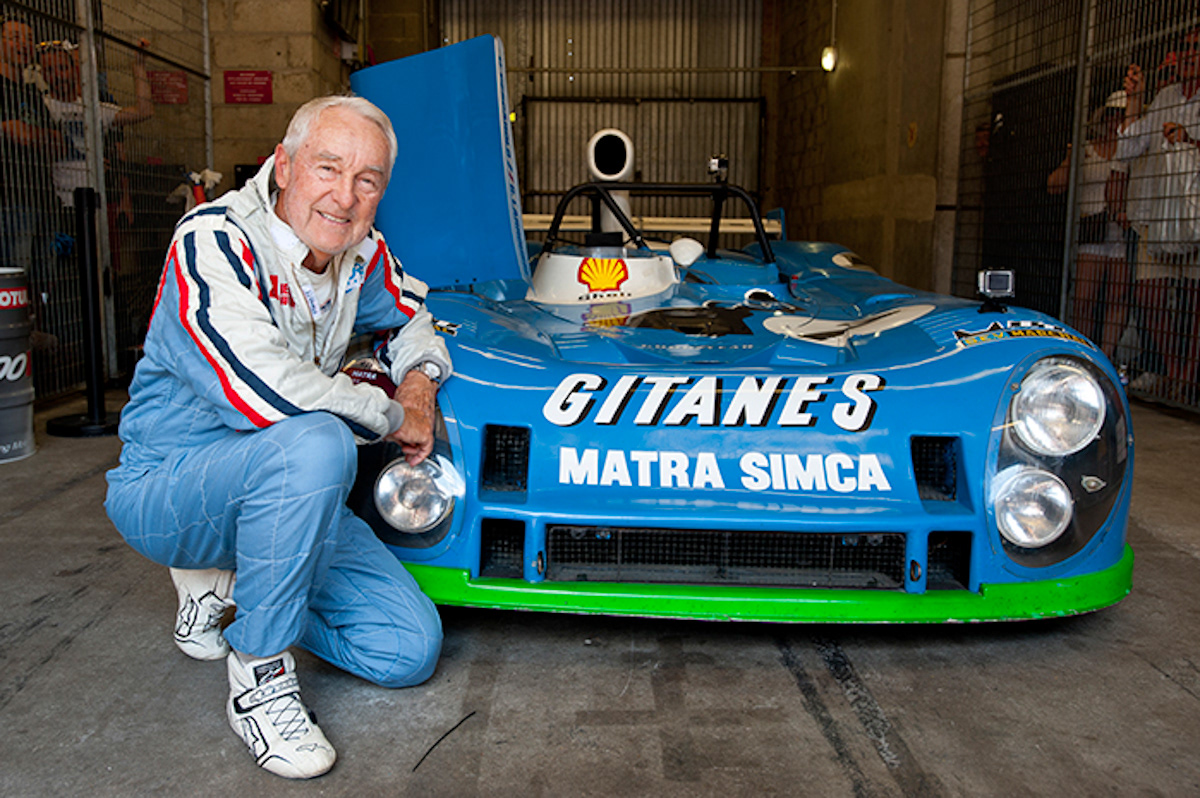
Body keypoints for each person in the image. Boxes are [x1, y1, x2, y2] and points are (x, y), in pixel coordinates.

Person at [104, 95, 451, 780]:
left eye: (368, 180)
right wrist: (389, 416)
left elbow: (413, 316)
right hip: (169, 486)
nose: (345, 196)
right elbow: (263, 391)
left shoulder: (360, 254)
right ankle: (259, 674)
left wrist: (419, 383)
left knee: (406, 650)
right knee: (318, 440)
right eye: (328, 168)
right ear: (285, 166)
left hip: (293, 491)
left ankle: (232, 583)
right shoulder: (214, 240)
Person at [1117, 27, 1200, 400]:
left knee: (1195, 298)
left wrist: (1189, 141)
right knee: (1149, 292)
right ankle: (1173, 368)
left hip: (1195, 213)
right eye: (1185, 47)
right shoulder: (1165, 96)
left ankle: (1188, 376)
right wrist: (1135, 100)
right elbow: (1130, 147)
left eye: (1196, 48)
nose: (1188, 54)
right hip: (1158, 212)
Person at [1047, 92, 1130, 359]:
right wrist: (1071, 158)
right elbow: (1053, 186)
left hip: (1121, 231)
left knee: (1118, 296)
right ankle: (1082, 354)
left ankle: (1106, 356)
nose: (1115, 120)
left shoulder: (1133, 148)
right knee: (1084, 298)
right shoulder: (1087, 149)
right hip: (1092, 231)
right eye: (1112, 114)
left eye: (1122, 114)